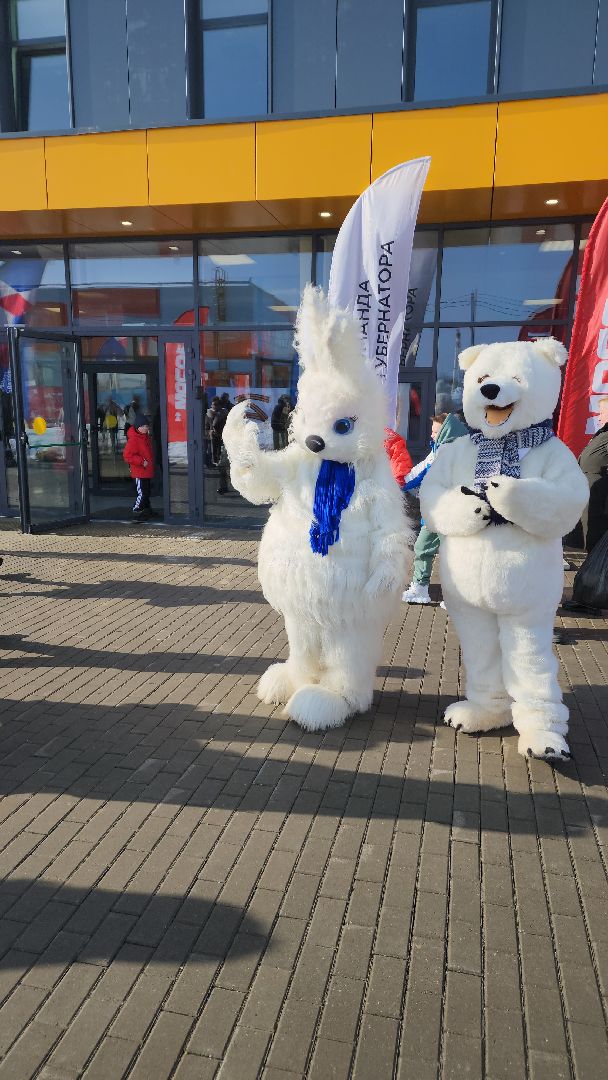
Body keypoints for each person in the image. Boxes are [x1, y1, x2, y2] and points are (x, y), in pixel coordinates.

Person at [402, 411, 468, 604]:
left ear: (446, 432)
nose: (431, 435)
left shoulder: (447, 451)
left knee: (452, 555)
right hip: (435, 511)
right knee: (423, 547)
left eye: (435, 431)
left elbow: (420, 472)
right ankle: (420, 588)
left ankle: (456, 597)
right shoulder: (441, 448)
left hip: (451, 513)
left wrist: (401, 481)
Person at [123, 412, 156, 520]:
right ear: (139, 427)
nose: (147, 428)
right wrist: (141, 461)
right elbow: (127, 456)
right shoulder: (134, 439)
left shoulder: (144, 437)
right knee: (142, 493)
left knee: (146, 492)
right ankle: (136, 511)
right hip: (139, 472)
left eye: (147, 426)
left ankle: (147, 510)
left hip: (146, 471)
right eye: (144, 426)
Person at [205, 397, 228, 466]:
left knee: (221, 452)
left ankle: (221, 464)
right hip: (212, 437)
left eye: (216, 404)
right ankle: (212, 463)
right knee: (211, 451)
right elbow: (206, 427)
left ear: (220, 406)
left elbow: (227, 425)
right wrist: (209, 432)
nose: (214, 406)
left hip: (222, 436)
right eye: (213, 404)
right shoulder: (208, 414)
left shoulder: (224, 414)